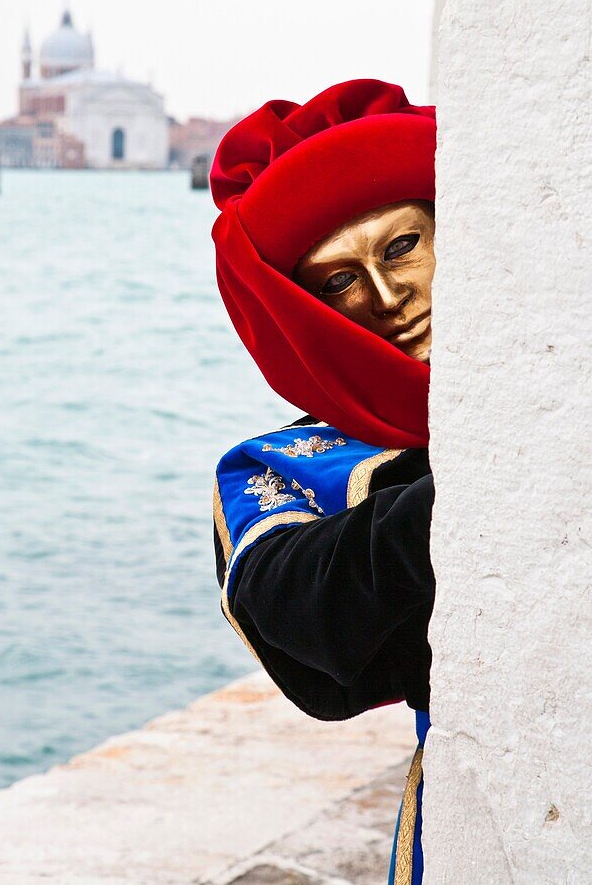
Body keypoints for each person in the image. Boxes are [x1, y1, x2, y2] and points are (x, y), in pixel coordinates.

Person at [210, 79, 436, 885]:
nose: (384, 298)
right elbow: (300, 618)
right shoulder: (286, 466)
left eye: (402, 247)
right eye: (339, 280)